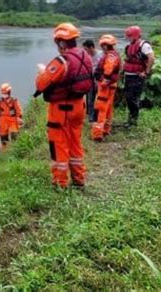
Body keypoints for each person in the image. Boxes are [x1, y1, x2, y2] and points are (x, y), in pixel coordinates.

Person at [34, 23, 93, 188]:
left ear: (61, 42)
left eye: (58, 43)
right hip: (79, 106)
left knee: (58, 145)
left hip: (61, 110)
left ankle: (60, 183)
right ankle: (79, 179)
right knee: (75, 143)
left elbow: (41, 85)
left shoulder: (62, 61)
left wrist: (42, 72)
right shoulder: (85, 55)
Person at [123, 25, 155, 128]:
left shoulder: (144, 45)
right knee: (128, 98)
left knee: (133, 98)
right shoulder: (130, 46)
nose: (128, 38)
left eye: (130, 36)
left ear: (136, 35)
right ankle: (130, 120)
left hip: (137, 77)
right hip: (128, 75)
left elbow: (151, 58)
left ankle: (133, 121)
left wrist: (146, 72)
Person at [91, 34, 122, 141]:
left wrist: (102, 83)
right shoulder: (114, 54)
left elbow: (108, 71)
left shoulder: (110, 56)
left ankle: (97, 134)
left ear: (105, 45)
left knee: (99, 110)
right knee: (108, 109)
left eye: (103, 45)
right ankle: (106, 129)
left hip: (105, 87)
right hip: (111, 86)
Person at [0, 83, 23, 149]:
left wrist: (19, 118)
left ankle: (15, 148)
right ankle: (4, 150)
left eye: (5, 93)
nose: (4, 95)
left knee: (14, 135)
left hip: (12, 119)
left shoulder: (14, 100)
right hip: (3, 119)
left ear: (9, 92)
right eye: (3, 93)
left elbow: (18, 110)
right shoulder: (0, 101)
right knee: (3, 136)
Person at [82, 39, 103, 123]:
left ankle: (98, 116)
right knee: (90, 99)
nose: (85, 51)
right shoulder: (86, 56)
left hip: (100, 80)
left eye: (86, 49)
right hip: (90, 80)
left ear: (91, 47)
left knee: (99, 99)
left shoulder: (101, 54)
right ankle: (90, 116)